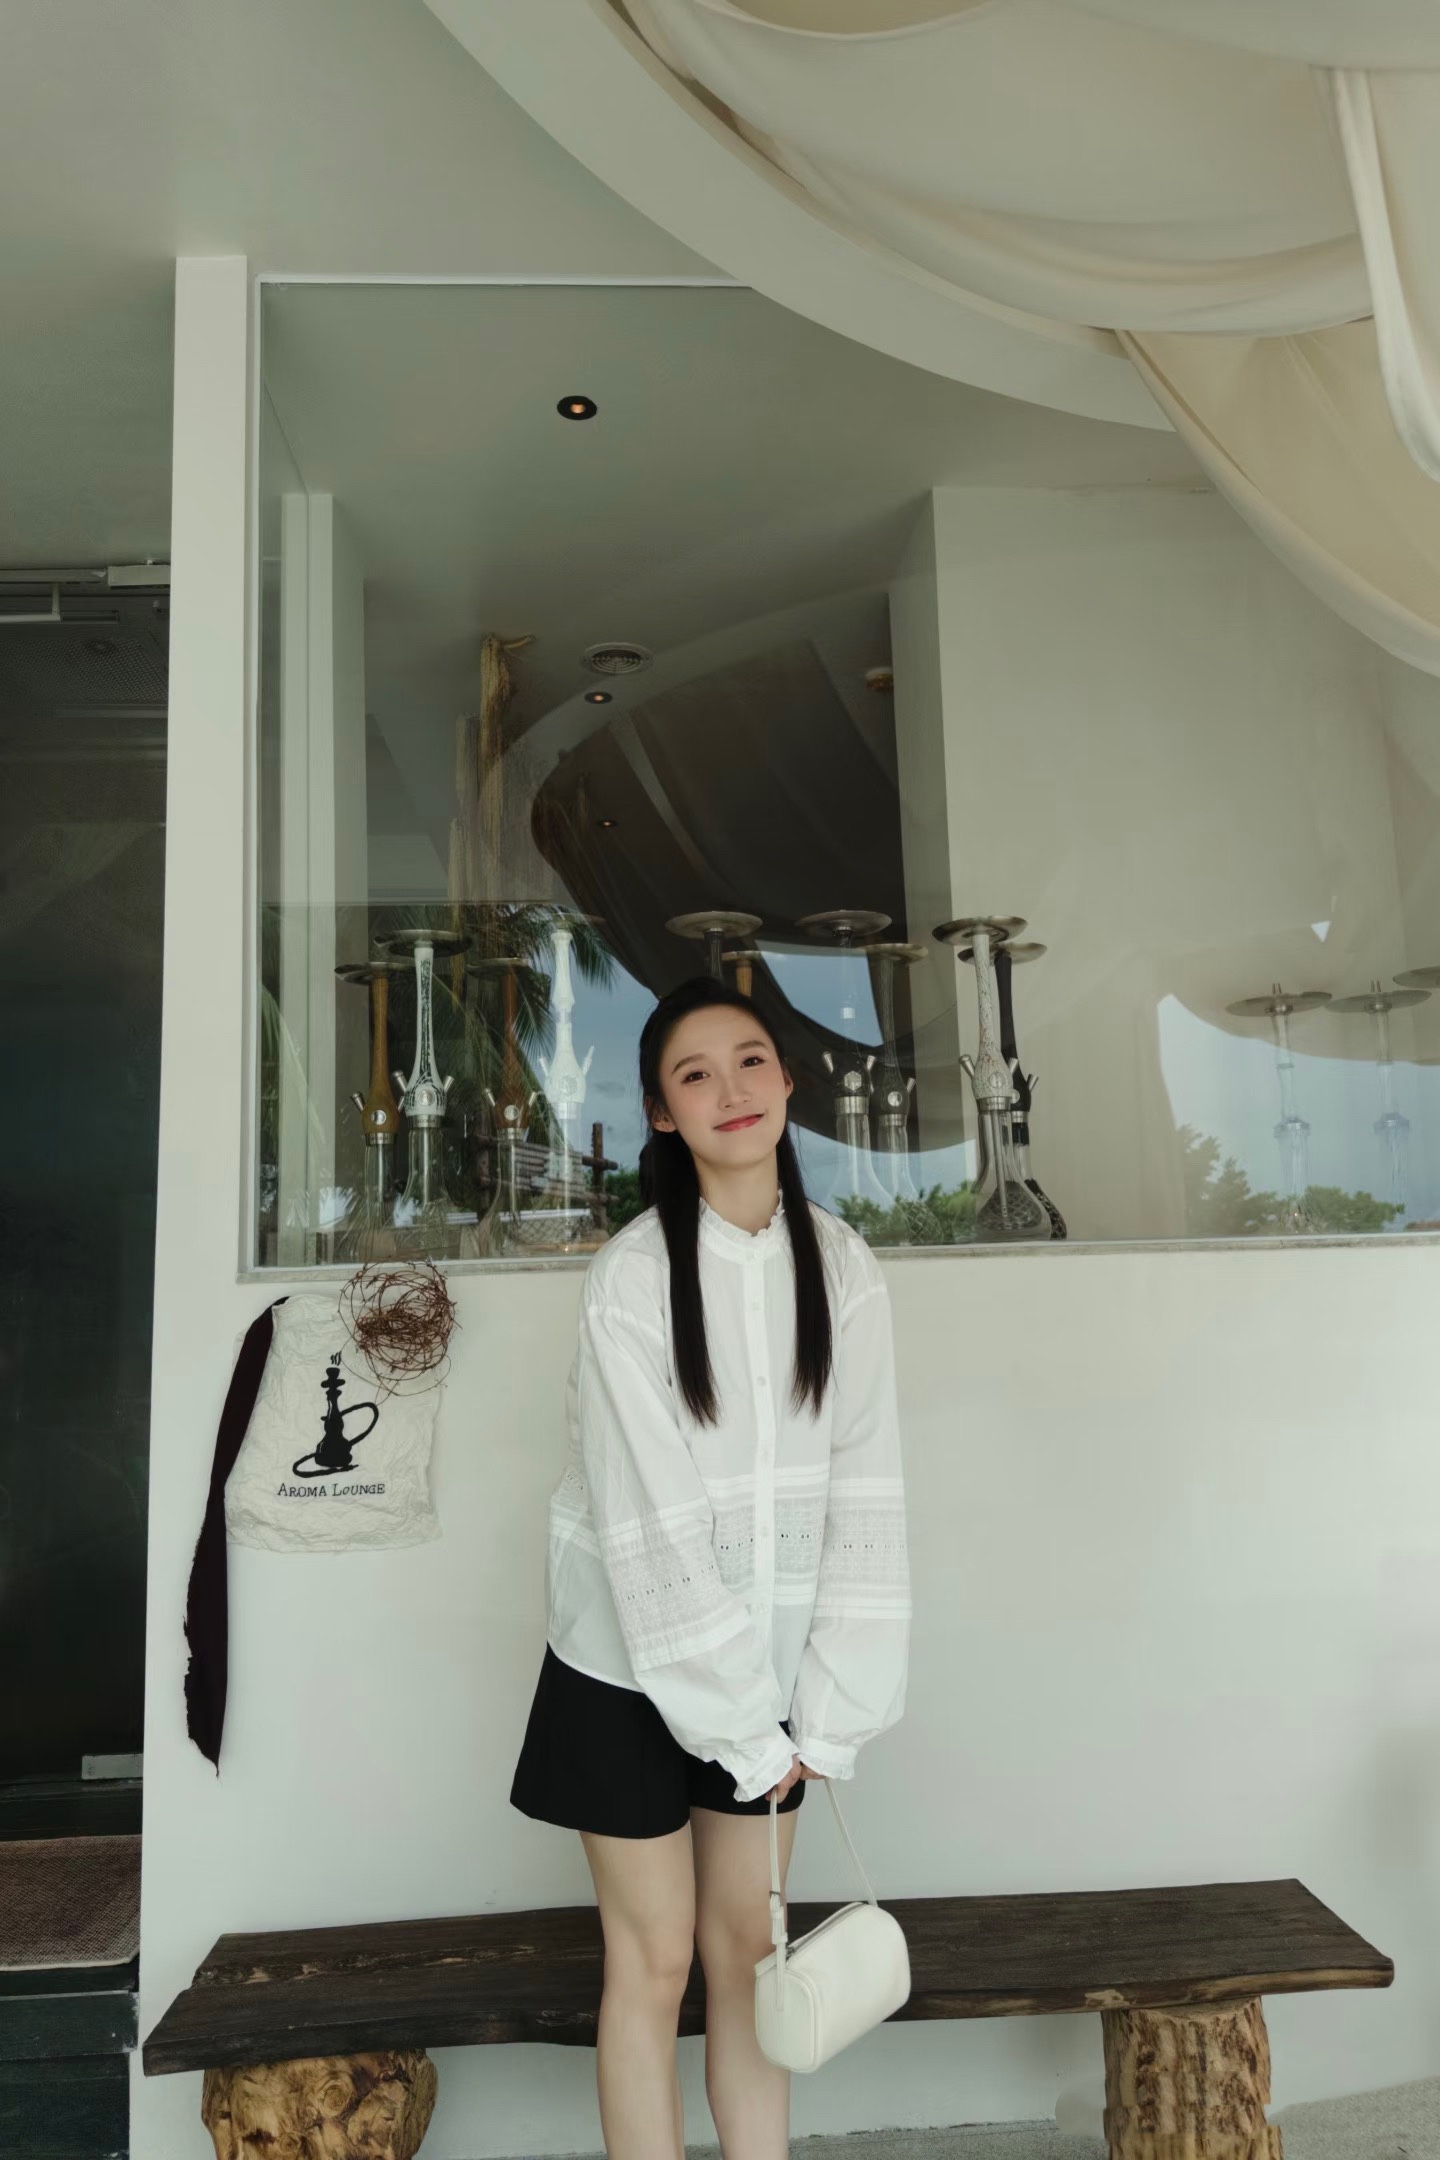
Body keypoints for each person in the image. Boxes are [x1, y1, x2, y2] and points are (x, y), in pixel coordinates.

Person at [511, 976, 912, 2160]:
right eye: (695, 1074)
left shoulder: (845, 1269)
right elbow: (651, 1527)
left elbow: (867, 1491)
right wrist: (744, 1727)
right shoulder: (632, 1280)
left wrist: (827, 1710)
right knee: (653, 1960)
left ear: (787, 1081)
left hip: (768, 1678)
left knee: (747, 1954)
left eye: (749, 1062)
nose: (730, 1090)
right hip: (622, 1671)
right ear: (659, 1111)